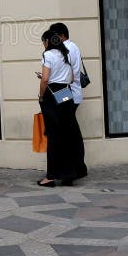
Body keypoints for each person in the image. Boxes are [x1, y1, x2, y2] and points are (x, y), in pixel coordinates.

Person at [36, 31, 86, 187]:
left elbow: (45, 79)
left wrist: (41, 96)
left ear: (47, 41)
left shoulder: (48, 55)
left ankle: (50, 176)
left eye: (44, 41)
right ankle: (68, 174)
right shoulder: (65, 54)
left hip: (52, 94)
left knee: (53, 135)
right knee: (67, 134)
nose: (43, 44)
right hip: (65, 92)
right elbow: (71, 77)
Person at [48, 22, 88, 178]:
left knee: (67, 133)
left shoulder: (67, 49)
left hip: (66, 93)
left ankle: (73, 169)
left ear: (61, 35)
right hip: (70, 92)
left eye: (53, 36)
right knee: (72, 132)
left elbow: (67, 74)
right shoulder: (73, 47)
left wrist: (48, 78)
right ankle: (77, 167)